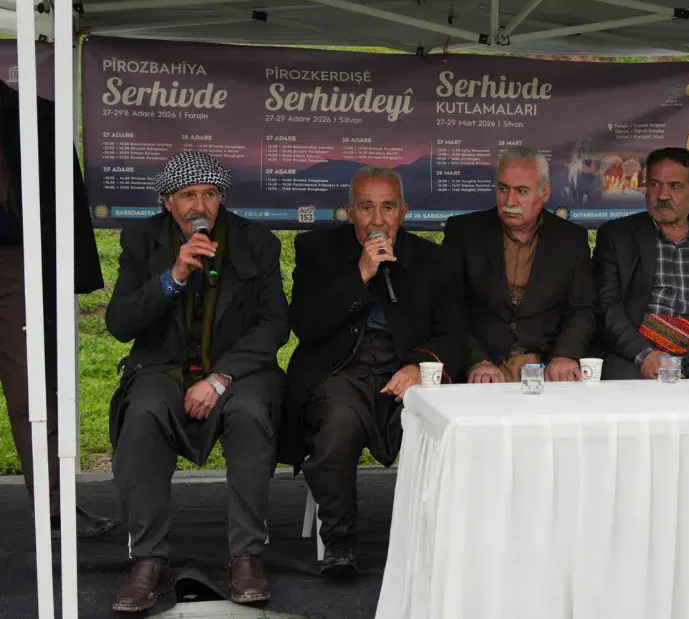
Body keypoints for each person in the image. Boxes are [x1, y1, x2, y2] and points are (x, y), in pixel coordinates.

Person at [104, 151, 287, 611]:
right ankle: (149, 559)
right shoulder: (141, 240)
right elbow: (120, 323)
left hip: (236, 369)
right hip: (163, 368)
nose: (200, 206)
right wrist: (174, 275)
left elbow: (274, 325)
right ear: (168, 202)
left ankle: (246, 555)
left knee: (249, 413)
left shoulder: (257, 242)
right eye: (188, 196)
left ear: (221, 198)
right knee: (143, 415)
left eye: (209, 194)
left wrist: (222, 377)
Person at [284, 165, 467, 579]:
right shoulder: (316, 249)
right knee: (337, 425)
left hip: (405, 365)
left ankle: (432, 539)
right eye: (366, 208)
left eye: (387, 207)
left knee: (438, 426)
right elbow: (305, 325)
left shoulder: (433, 259)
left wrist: (419, 366)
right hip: (341, 365)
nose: (377, 219)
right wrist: (362, 273)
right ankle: (339, 541)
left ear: (403, 211)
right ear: (349, 212)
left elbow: (455, 334)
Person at [0, 81, 117, 538]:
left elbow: (64, 200)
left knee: (32, 388)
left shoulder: (34, 114)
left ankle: (54, 508)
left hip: (17, 260)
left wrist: (76, 272)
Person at [594, 147, 689, 379]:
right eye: (655, 184)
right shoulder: (617, 236)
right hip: (635, 353)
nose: (663, 195)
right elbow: (607, 306)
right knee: (625, 390)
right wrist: (643, 354)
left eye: (675, 186)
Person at [443, 147, 594, 383]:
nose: (509, 201)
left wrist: (565, 355)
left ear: (545, 193)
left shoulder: (571, 239)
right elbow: (448, 305)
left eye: (521, 191)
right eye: (503, 189)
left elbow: (582, 309)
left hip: (548, 365)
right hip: (482, 366)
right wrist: (476, 360)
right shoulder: (464, 233)